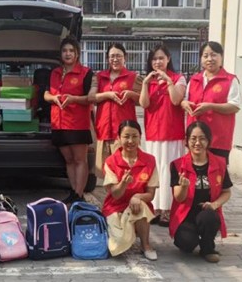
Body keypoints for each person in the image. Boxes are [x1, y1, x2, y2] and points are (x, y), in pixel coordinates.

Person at [169, 121, 232, 263]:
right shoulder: (177, 165)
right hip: (185, 216)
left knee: (209, 217)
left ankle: (207, 248)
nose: (197, 143)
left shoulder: (219, 163)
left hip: (207, 212)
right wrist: (184, 187)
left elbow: (226, 192)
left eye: (202, 139)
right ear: (187, 141)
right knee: (186, 243)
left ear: (209, 141)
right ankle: (193, 237)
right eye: (193, 139)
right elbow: (178, 198)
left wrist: (215, 205)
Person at [139, 43, 186, 227]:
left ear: (168, 59)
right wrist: (145, 83)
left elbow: (176, 100)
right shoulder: (148, 81)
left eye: (161, 58)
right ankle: (156, 208)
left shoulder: (178, 78)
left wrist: (168, 81)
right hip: (153, 133)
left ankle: (168, 210)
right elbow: (144, 104)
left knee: (169, 171)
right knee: (155, 170)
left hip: (172, 133)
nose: (157, 62)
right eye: (154, 59)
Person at [44, 38, 93, 204]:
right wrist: (53, 98)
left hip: (77, 123)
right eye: (65, 51)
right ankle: (73, 192)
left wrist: (73, 99)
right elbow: (46, 94)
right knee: (69, 160)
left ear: (77, 53)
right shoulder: (55, 73)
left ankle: (79, 194)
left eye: (71, 50)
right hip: (58, 123)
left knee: (80, 160)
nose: (68, 54)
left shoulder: (86, 73)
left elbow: (90, 98)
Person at [102, 120, 159, 261]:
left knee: (142, 206)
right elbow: (115, 195)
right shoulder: (110, 162)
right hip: (115, 207)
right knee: (118, 246)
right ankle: (127, 231)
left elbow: (151, 195)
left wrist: (138, 196)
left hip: (137, 207)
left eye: (134, 136)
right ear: (118, 138)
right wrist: (123, 183)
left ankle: (145, 245)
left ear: (140, 137)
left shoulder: (150, 160)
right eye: (126, 136)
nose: (130, 141)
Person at [180, 41, 241, 163]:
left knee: (217, 171)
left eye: (213, 55)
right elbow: (185, 100)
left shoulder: (230, 80)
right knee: (195, 171)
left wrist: (210, 106)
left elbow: (234, 106)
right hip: (195, 139)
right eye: (205, 55)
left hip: (218, 139)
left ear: (221, 57)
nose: (209, 59)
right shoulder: (194, 79)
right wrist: (184, 104)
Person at [89, 43, 142, 178]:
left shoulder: (133, 77)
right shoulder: (99, 77)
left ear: (125, 58)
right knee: (105, 173)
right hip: (103, 131)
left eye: (119, 56)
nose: (115, 59)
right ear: (107, 58)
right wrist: (108, 95)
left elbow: (144, 101)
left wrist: (131, 94)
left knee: (124, 172)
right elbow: (91, 97)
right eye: (112, 56)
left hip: (124, 134)